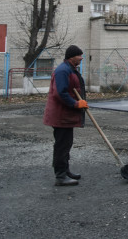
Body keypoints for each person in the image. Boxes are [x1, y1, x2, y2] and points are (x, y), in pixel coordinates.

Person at [43, 45, 87, 186]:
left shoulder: (70, 69)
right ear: (71, 57)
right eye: (79, 55)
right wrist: (75, 104)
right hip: (61, 115)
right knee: (62, 145)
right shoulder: (63, 71)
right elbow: (60, 93)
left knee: (66, 144)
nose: (81, 57)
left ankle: (65, 170)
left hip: (66, 115)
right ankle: (60, 176)